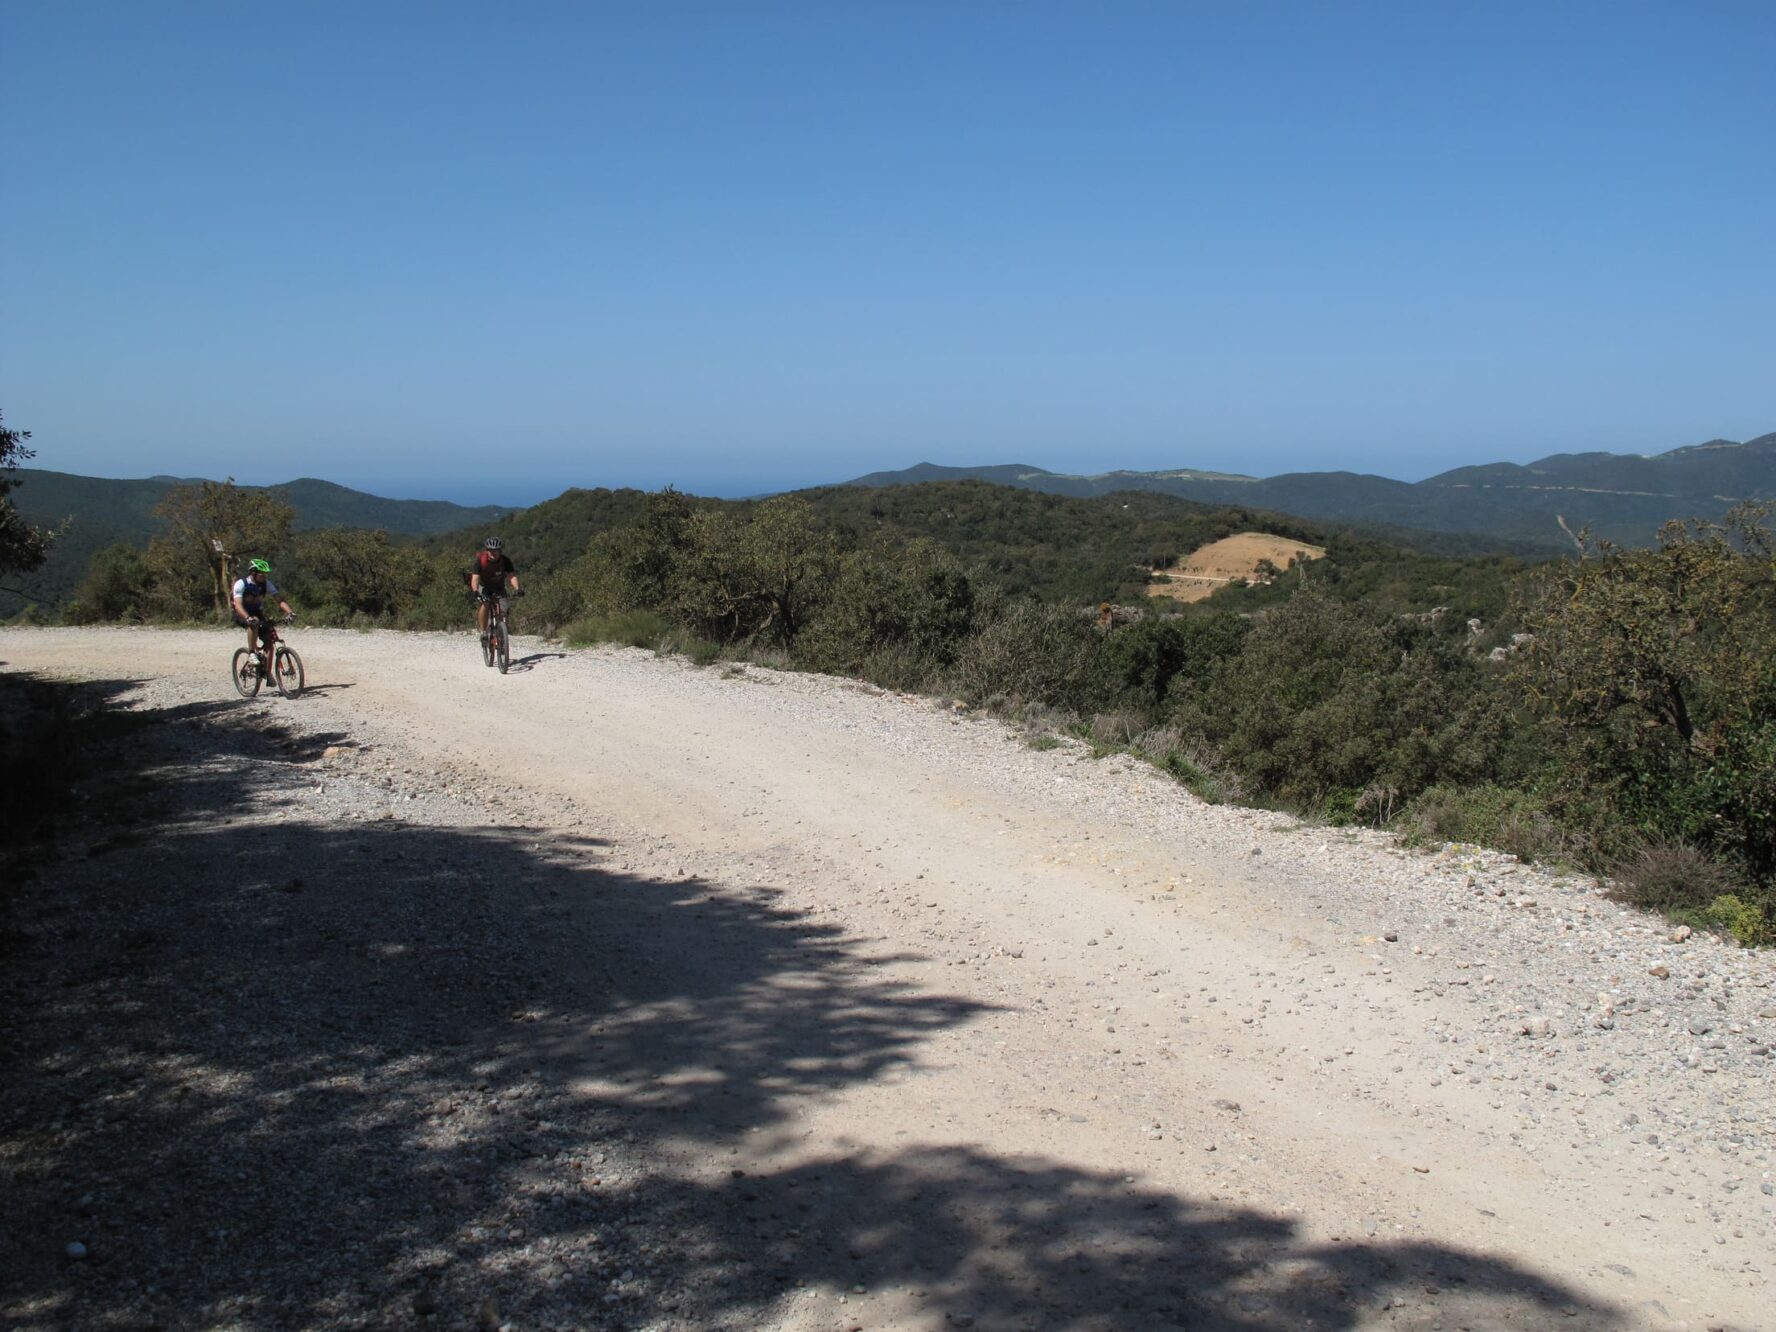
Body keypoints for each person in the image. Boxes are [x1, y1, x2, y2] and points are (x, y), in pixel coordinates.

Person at [231, 558, 294, 665]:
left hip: (256, 612)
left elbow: (279, 599)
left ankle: (268, 675)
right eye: (262, 574)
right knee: (254, 621)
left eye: (266, 574)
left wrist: (290, 612)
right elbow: (238, 605)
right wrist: (247, 618)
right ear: (253, 573)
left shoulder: (266, 584)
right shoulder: (241, 584)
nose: (265, 576)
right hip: (241, 613)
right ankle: (251, 653)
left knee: (269, 643)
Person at [470, 537, 520, 643]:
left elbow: (511, 576)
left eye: (495, 550)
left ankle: (502, 632)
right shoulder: (481, 561)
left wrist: (517, 588)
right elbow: (475, 578)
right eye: (490, 550)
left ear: (499, 551)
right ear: (487, 551)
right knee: (486, 603)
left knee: (504, 611)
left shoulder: (505, 561)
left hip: (499, 587)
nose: (493, 553)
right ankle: (483, 631)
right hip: (484, 587)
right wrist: (475, 590)